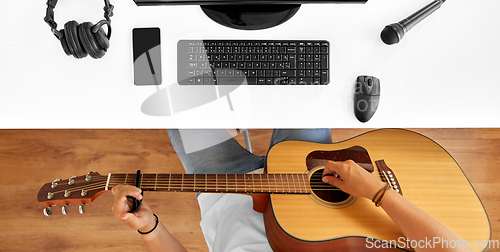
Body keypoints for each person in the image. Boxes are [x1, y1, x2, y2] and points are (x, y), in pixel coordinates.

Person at [111, 129, 473, 252]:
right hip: (314, 172)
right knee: (306, 68)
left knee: (172, 91)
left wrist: (149, 227)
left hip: (223, 190)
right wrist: (377, 192)